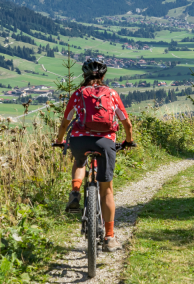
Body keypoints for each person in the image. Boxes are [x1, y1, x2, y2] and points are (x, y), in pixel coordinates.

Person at [54, 58, 134, 252]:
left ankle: (75, 191)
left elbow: (65, 122)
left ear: (85, 76)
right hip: (105, 143)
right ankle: (109, 237)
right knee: (106, 190)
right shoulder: (112, 94)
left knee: (80, 161)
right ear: (103, 76)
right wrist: (128, 141)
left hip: (80, 141)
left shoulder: (79, 93)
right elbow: (126, 123)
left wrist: (59, 140)